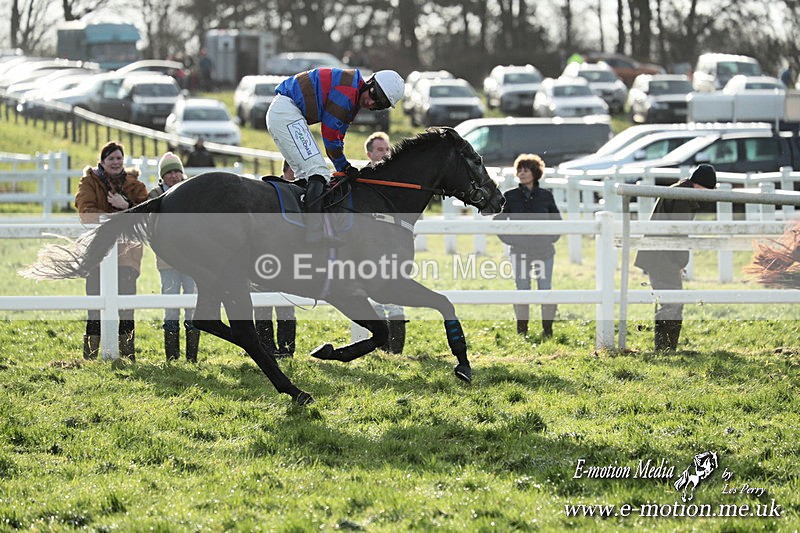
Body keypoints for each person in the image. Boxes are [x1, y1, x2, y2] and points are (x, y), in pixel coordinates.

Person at [266, 67, 404, 245]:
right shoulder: (347, 92)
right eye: (373, 95)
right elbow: (330, 137)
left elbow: (339, 136)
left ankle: (296, 228)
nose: (371, 103)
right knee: (319, 172)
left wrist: (343, 167)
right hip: (285, 111)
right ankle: (313, 233)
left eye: (379, 104)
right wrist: (344, 166)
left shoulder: (353, 95)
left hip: (285, 112)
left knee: (307, 176)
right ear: (370, 83)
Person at [75, 141, 148, 360]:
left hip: (128, 252)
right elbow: (85, 211)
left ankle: (127, 353)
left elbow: (147, 209)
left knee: (126, 303)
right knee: (95, 302)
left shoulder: (134, 185)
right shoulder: (90, 183)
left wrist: (126, 205)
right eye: (111, 159)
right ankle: (91, 354)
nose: (116, 163)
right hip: (98, 251)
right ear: (103, 161)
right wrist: (116, 219)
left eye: (119, 158)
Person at [634, 164, 717, 352]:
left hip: (658, 255)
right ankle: (665, 349)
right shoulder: (683, 197)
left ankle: (666, 348)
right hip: (663, 256)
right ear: (700, 186)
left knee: (670, 300)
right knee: (673, 301)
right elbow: (678, 233)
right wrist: (680, 263)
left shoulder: (680, 192)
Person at [494, 154, 562, 338]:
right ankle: (522, 331)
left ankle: (547, 331)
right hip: (520, 251)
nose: (522, 173)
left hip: (545, 251)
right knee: (522, 289)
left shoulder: (546, 196)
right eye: (519, 170)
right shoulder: (509, 196)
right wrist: (512, 240)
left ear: (535, 172)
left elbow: (558, 222)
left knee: (545, 289)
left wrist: (550, 239)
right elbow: (497, 222)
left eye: (526, 169)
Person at [148, 152, 201, 362]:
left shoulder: (192, 192)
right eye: (169, 172)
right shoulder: (154, 195)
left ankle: (192, 357)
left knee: (192, 306)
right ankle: (172, 357)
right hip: (167, 260)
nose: (174, 176)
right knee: (171, 307)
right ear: (163, 176)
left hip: (192, 261)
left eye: (177, 171)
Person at [364, 131, 405, 353]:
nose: (385, 153)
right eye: (380, 149)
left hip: (392, 246)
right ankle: (381, 349)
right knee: (373, 295)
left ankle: (396, 351)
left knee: (394, 293)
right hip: (367, 247)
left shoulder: (398, 180)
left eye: (387, 148)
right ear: (369, 153)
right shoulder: (361, 178)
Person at [255, 160, 297, 358]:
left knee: (286, 307)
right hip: (264, 255)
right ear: (289, 169)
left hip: (288, 258)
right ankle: (266, 349)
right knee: (262, 306)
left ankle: (287, 350)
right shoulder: (271, 191)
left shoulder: (302, 191)